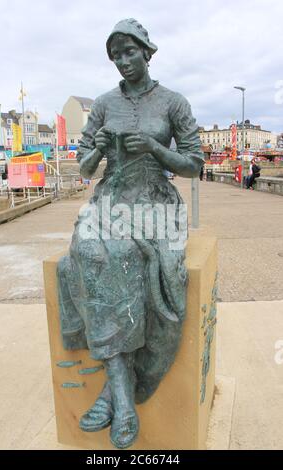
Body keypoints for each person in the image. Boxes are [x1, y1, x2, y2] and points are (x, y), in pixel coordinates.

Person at [57, 18, 204, 449]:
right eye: (115, 54)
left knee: (138, 264)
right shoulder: (102, 104)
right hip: (111, 200)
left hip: (157, 202)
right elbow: (83, 168)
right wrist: (99, 148)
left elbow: (194, 165)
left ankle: (113, 390)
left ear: (147, 52)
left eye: (129, 51)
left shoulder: (174, 102)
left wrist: (158, 149)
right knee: (88, 254)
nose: (122, 61)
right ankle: (123, 399)